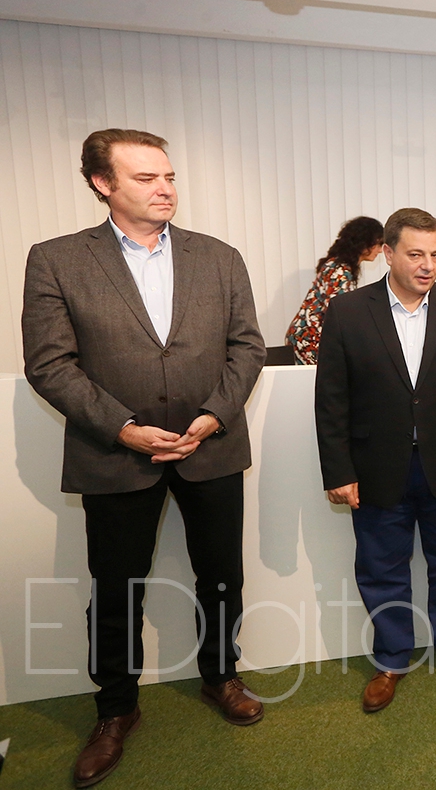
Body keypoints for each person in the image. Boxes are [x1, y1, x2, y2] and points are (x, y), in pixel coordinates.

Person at [21, 129, 266, 788]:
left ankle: (221, 676)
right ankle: (115, 710)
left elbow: (247, 346)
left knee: (221, 576)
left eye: (169, 176)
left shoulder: (218, 257)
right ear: (103, 184)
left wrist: (213, 415)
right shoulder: (57, 260)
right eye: (146, 178)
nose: (165, 189)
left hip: (211, 446)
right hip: (115, 455)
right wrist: (124, 428)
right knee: (116, 588)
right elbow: (49, 364)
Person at [314, 207, 436, 709]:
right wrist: (339, 471)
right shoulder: (349, 311)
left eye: (435, 254)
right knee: (382, 568)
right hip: (376, 466)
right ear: (387, 253)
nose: (428, 265)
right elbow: (331, 401)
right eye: (416, 254)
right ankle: (392, 658)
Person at [285, 216, 384, 364]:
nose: (380, 250)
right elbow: (341, 315)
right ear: (364, 242)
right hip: (310, 341)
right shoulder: (339, 271)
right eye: (378, 244)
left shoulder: (338, 266)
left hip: (308, 337)